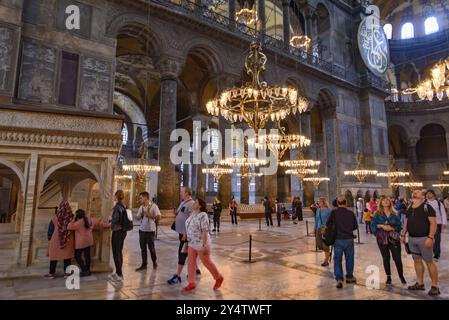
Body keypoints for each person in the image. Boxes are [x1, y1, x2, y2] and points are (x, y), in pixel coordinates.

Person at [401, 189, 440, 296]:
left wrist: (430, 237)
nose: (415, 192)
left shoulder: (427, 207)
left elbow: (433, 223)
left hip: (424, 238)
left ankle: (435, 286)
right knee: (417, 261)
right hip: (412, 239)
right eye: (414, 191)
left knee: (429, 262)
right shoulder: (410, 207)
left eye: (418, 191)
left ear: (422, 196)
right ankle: (420, 283)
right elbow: (406, 222)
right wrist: (403, 235)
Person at [182, 198, 224, 292]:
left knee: (207, 262)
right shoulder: (193, 214)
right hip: (191, 242)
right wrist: (185, 234)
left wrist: (205, 245)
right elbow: (189, 225)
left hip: (201, 243)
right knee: (191, 263)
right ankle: (191, 282)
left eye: (196, 202)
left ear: (200, 205)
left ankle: (218, 277)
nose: (194, 203)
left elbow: (205, 230)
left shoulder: (203, 215)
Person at [371, 197, 406, 285]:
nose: (386, 202)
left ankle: (401, 276)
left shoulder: (395, 214)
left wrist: (392, 228)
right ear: (381, 203)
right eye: (384, 200)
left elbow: (399, 226)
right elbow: (373, 226)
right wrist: (382, 226)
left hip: (393, 238)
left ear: (390, 203)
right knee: (386, 257)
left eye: (387, 200)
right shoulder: (377, 214)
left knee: (397, 258)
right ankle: (388, 277)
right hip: (382, 239)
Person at [326, 195, 358, 289]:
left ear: (337, 203)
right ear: (346, 203)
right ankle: (349, 277)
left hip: (338, 240)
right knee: (349, 259)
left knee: (337, 259)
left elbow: (327, 225)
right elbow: (355, 226)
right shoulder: (351, 213)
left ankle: (339, 279)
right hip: (349, 239)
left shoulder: (334, 213)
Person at [67, 209, 111, 277]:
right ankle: (87, 270)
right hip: (88, 241)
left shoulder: (78, 223)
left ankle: (85, 270)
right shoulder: (90, 219)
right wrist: (108, 225)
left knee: (77, 256)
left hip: (81, 243)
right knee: (87, 256)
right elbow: (100, 223)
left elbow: (69, 226)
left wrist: (73, 219)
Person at [167, 187, 195, 285]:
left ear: (187, 193)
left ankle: (177, 275)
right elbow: (179, 213)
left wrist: (186, 233)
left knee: (182, 253)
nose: (180, 193)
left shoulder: (191, 204)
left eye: (182, 192)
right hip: (181, 232)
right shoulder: (183, 202)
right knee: (188, 253)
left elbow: (192, 219)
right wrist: (175, 212)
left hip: (186, 234)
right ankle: (194, 270)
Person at [44, 201, 75, 279]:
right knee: (67, 257)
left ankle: (51, 273)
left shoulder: (55, 217)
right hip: (68, 239)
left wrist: (49, 238)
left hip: (56, 240)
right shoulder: (71, 217)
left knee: (54, 257)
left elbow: (50, 229)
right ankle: (67, 273)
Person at [135, 192, 161, 271]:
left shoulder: (154, 206)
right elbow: (138, 218)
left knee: (151, 248)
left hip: (150, 231)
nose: (140, 200)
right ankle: (144, 264)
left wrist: (150, 215)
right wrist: (139, 217)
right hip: (142, 230)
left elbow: (159, 217)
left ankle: (154, 262)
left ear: (146, 198)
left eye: (141, 198)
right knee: (143, 248)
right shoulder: (141, 207)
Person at [109, 190, 130, 282]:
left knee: (116, 252)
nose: (114, 197)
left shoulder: (117, 207)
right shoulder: (124, 205)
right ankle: (118, 272)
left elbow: (115, 220)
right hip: (123, 231)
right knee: (119, 252)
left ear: (116, 196)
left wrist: (110, 220)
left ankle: (119, 274)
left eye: (114, 196)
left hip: (117, 231)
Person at [425, 190, 447, 261]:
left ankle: (436, 255)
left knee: (437, 240)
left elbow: (443, 213)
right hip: (428, 223)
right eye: (427, 194)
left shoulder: (438, 203)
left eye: (430, 194)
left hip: (438, 223)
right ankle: (429, 254)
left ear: (433, 194)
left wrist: (444, 222)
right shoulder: (425, 203)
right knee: (429, 239)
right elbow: (425, 213)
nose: (428, 195)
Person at [314, 197, 332, 267]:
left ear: (323, 202)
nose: (318, 203)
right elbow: (317, 219)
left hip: (324, 227)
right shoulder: (318, 210)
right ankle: (327, 252)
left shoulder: (328, 210)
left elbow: (330, 220)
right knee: (318, 243)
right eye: (318, 201)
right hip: (318, 227)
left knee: (325, 243)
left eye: (320, 202)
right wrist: (315, 228)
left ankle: (326, 260)